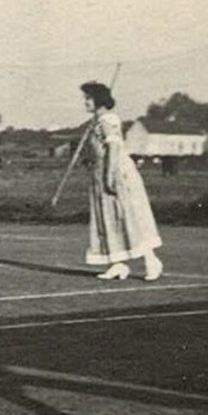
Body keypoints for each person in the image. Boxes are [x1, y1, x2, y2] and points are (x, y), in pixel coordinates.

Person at [79, 81, 163, 281]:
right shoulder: (96, 122)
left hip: (116, 173)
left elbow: (114, 148)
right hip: (100, 174)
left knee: (129, 217)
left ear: (99, 99)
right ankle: (118, 264)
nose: (85, 102)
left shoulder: (109, 119)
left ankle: (151, 261)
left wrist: (110, 175)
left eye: (88, 98)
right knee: (108, 218)